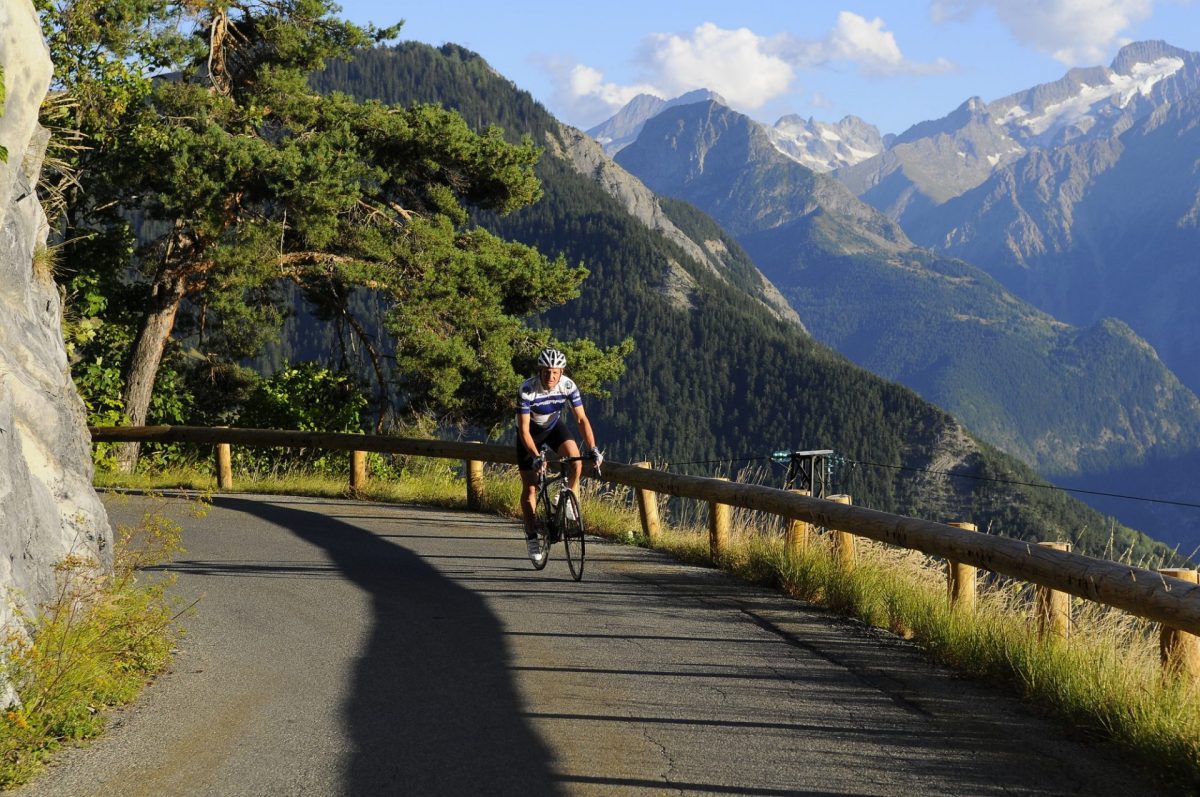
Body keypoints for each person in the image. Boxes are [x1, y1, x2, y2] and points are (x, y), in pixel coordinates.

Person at [516, 347, 603, 566]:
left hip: (554, 428)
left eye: (555, 372)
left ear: (561, 371)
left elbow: (581, 419)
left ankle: (564, 499)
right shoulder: (527, 390)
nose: (551, 376)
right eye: (547, 372)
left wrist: (593, 449)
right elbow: (524, 430)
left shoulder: (567, 385)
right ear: (540, 370)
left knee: (575, 460)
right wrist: (536, 456)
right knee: (530, 489)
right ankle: (532, 536)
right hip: (530, 435)